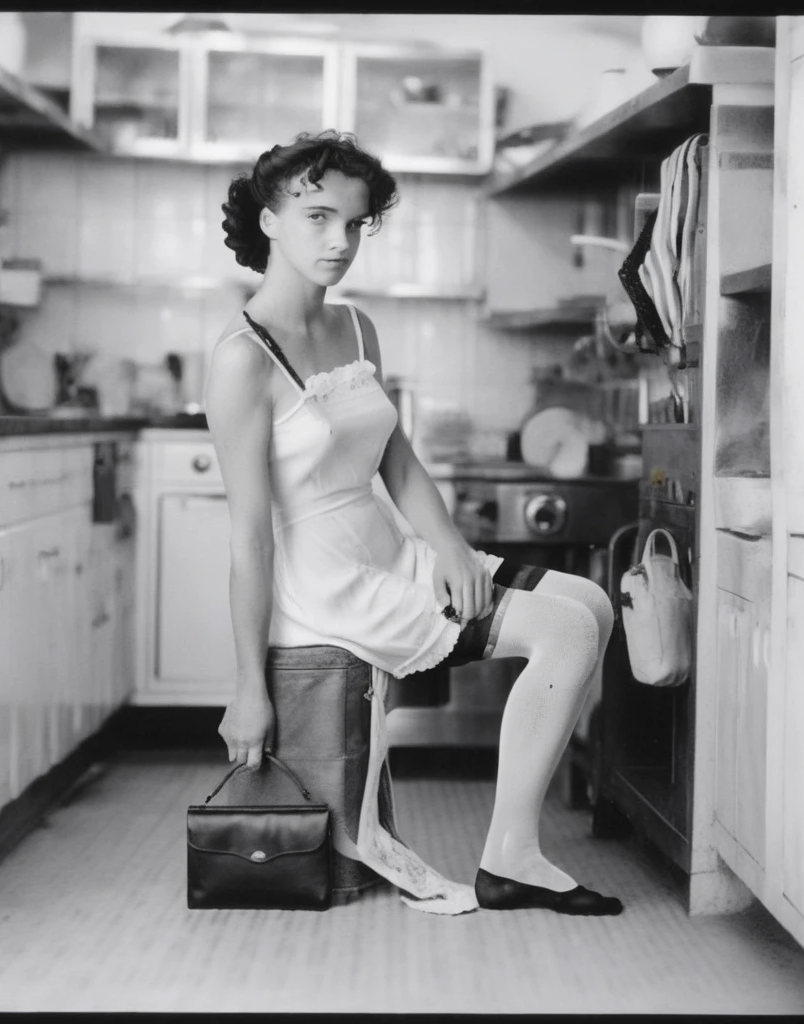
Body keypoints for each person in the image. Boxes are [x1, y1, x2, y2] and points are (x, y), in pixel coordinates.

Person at [205, 130, 622, 916]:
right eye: (319, 217)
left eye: (357, 224)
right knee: (564, 633)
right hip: (327, 584)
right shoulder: (242, 359)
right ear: (268, 219)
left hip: (388, 548)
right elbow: (249, 539)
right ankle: (513, 859)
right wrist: (244, 686)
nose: (340, 241)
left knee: (592, 605)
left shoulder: (357, 327)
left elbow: (396, 455)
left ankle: (514, 850)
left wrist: (451, 545)